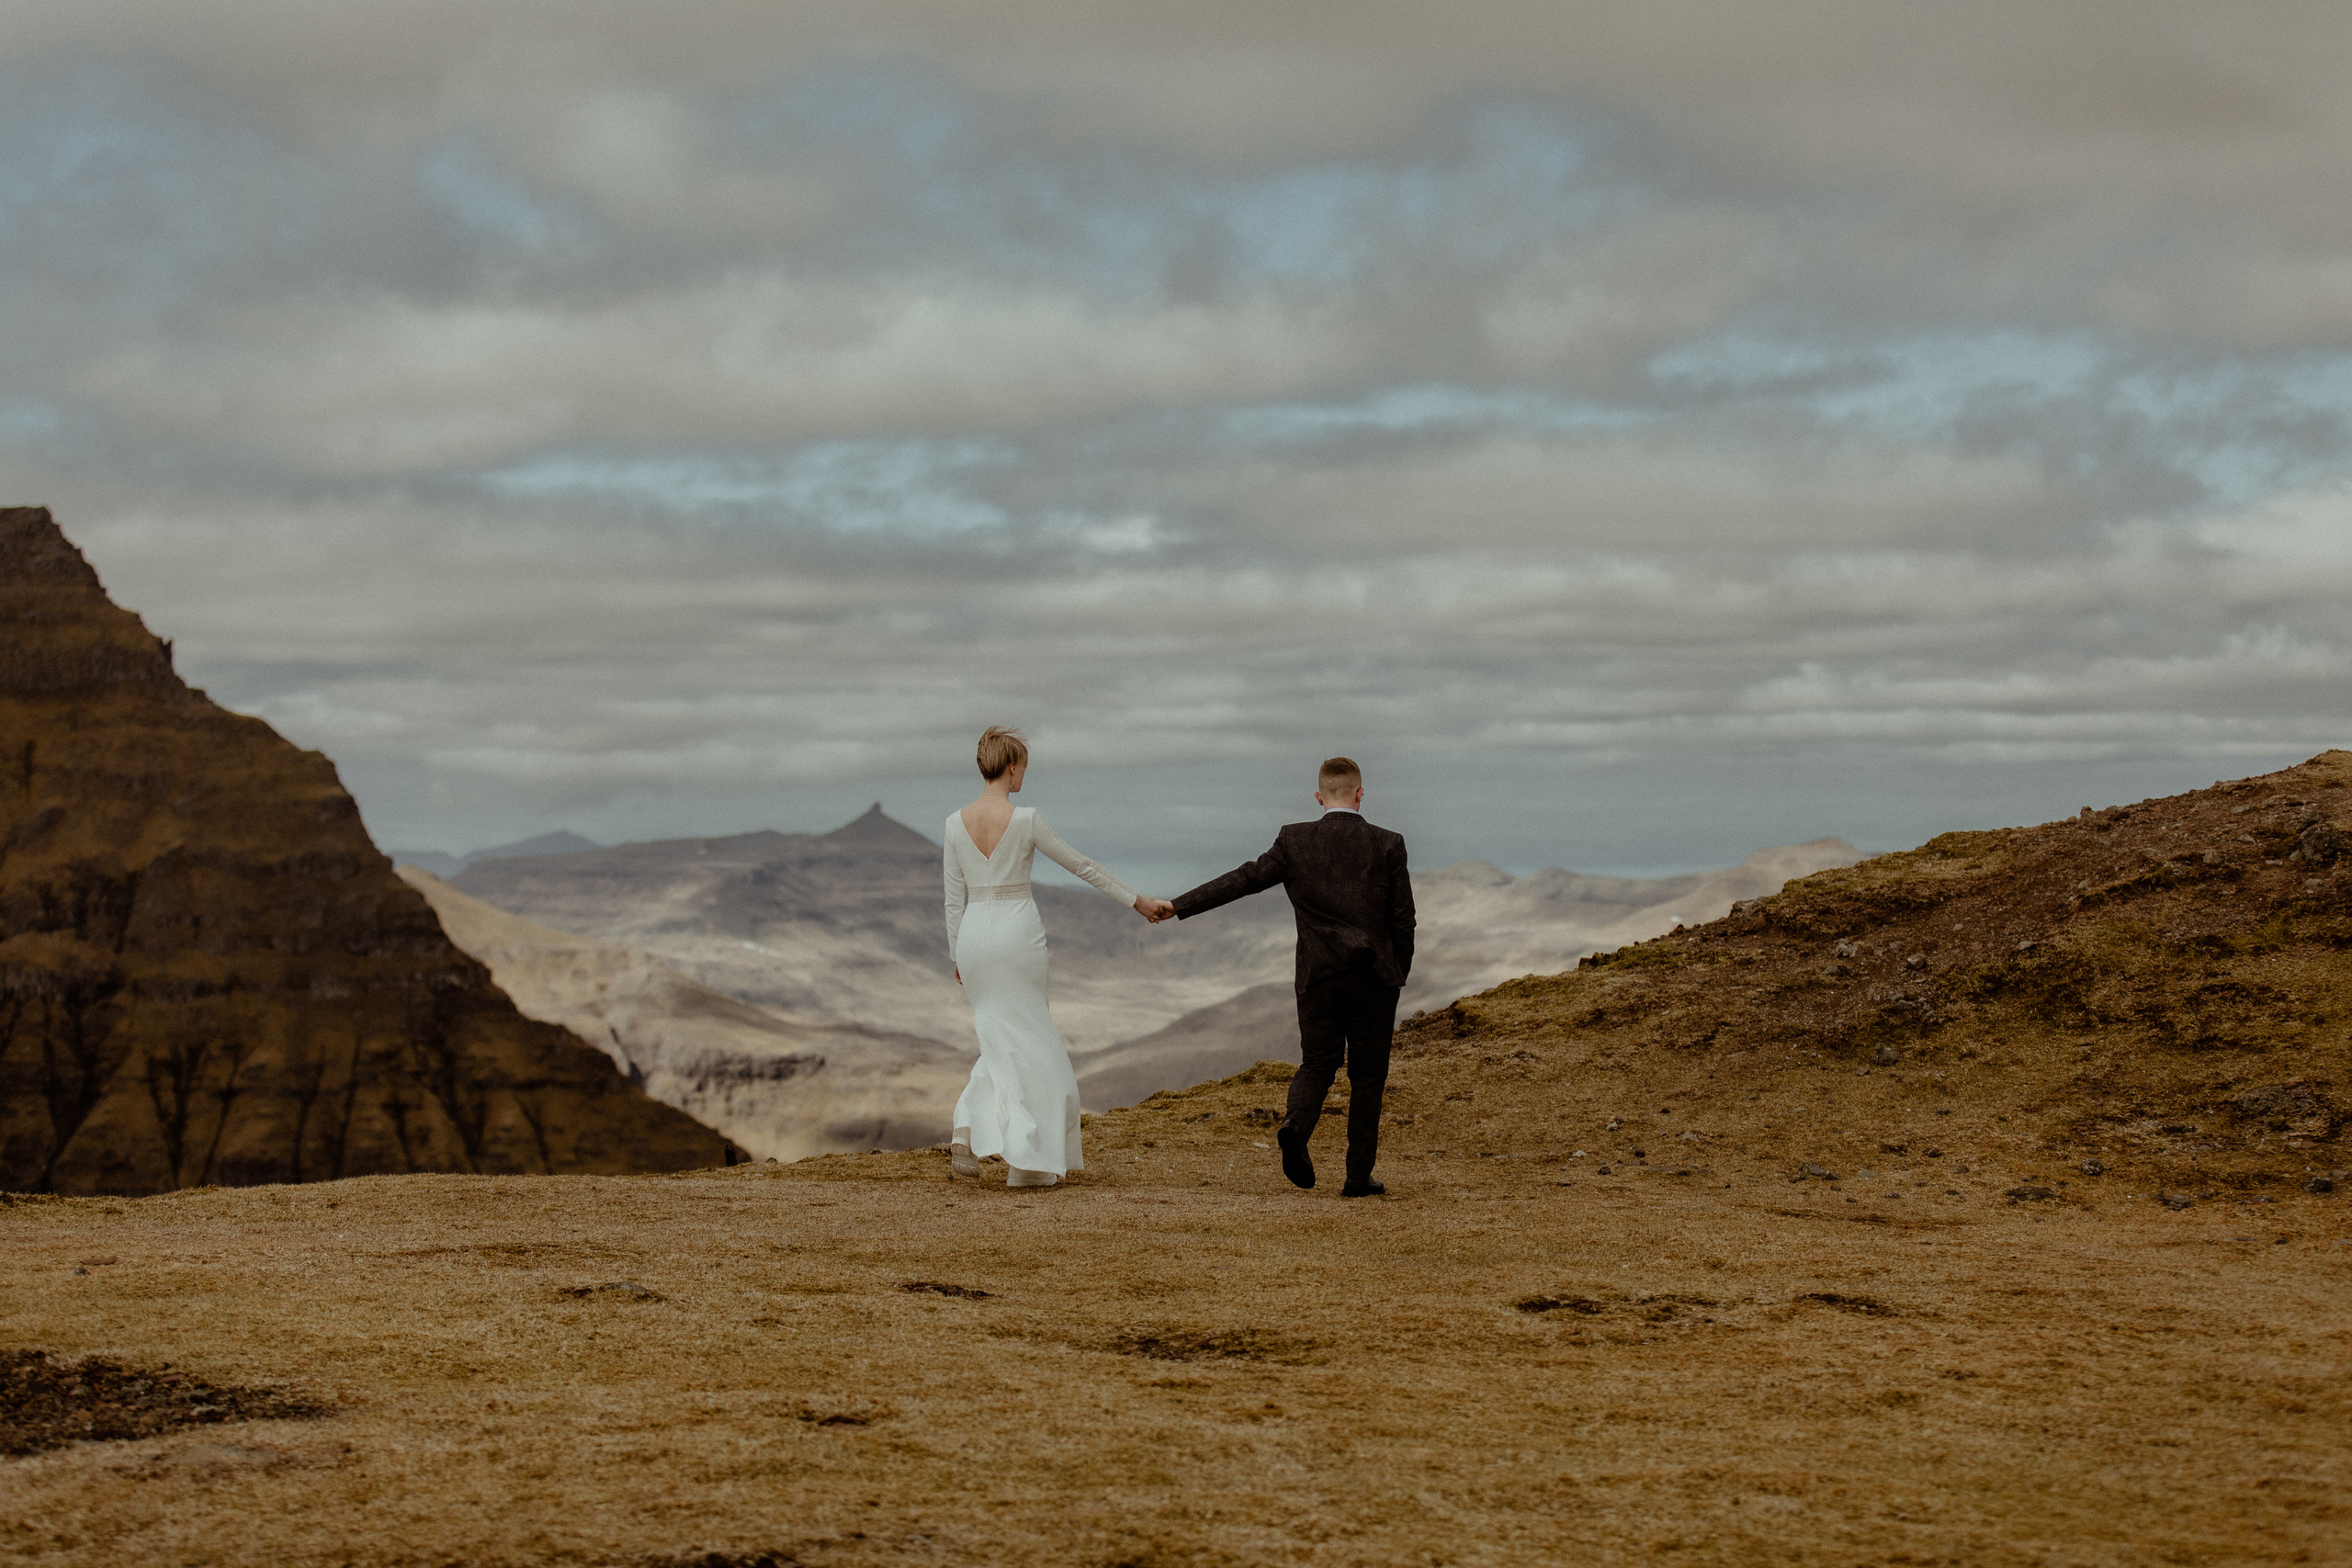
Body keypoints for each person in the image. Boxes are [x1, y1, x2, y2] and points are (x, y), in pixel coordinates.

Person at [1168, 757, 1414, 1197]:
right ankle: (1358, 1176)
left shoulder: (1294, 840)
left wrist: (1180, 904)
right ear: (1361, 794)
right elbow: (1403, 919)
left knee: (1317, 1063)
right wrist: (1397, 972)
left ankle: (1296, 1128)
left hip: (1318, 976)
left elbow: (1244, 879)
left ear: (1319, 798)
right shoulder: (1388, 844)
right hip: (1374, 979)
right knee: (1368, 1076)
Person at [944, 726, 1174, 1189]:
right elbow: (1081, 865)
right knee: (1031, 1040)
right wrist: (1138, 901)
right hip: (1016, 934)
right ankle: (1015, 1151)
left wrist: (956, 954)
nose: (1025, 773)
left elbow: (953, 899)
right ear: (1012, 767)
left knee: (1000, 1036)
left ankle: (977, 1132)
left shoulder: (954, 822)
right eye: (1024, 765)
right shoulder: (1025, 818)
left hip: (973, 936)